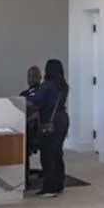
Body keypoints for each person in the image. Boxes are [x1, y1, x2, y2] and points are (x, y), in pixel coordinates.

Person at [28, 58, 70, 198]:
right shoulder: (63, 86)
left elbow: (36, 101)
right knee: (57, 153)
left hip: (50, 122)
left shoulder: (47, 86)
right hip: (63, 119)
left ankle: (49, 188)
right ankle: (59, 184)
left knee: (48, 155)